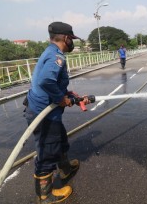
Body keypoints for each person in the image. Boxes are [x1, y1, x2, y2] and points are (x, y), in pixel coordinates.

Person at [24, 21, 89, 203]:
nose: (72, 43)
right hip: (42, 114)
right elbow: (46, 81)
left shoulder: (51, 52)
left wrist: (68, 94)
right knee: (48, 150)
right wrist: (61, 99)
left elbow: (53, 82)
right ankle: (45, 195)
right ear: (66, 38)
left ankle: (65, 168)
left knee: (60, 139)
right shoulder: (56, 57)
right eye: (72, 39)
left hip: (47, 112)